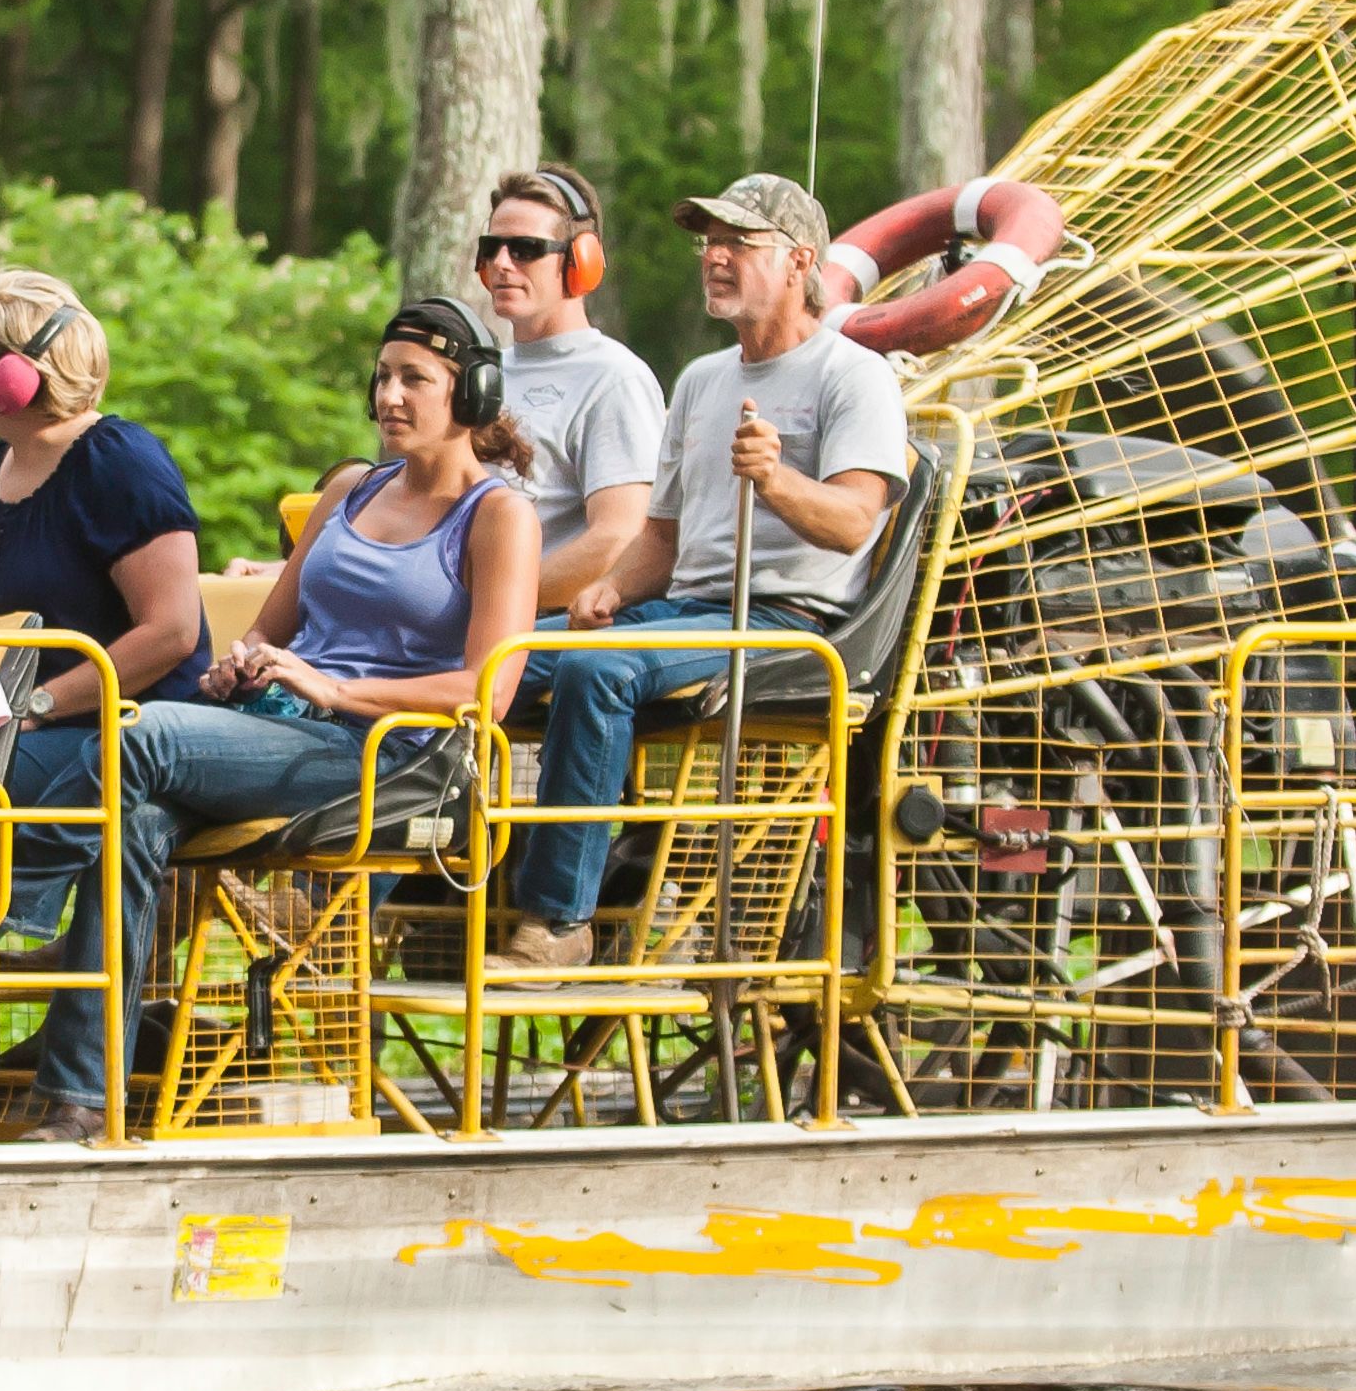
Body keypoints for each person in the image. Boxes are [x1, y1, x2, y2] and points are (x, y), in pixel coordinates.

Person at [494, 174, 909, 970]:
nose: (716, 258)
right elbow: (661, 537)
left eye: (738, 245)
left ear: (798, 261)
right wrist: (612, 587)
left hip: (786, 622)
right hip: (686, 608)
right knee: (493, 660)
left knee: (600, 671)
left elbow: (856, 522)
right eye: (708, 243)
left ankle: (559, 920)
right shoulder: (701, 380)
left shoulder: (852, 375)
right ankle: (416, 889)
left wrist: (778, 479)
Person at [104, 303, 543, 1014]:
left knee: (141, 733)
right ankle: (88, 1081)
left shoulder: (498, 516)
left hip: (384, 756)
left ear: (470, 396)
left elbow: (485, 692)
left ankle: (23, 909)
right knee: (144, 824)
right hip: (283, 724)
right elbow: (269, 626)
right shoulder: (350, 489)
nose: (388, 397)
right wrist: (239, 664)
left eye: (414, 380)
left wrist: (335, 689)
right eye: (381, 378)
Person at [0, 266, 210, 1144]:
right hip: (17, 731)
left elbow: (170, 631)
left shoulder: (118, 461)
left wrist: (39, 705)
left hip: (130, 732)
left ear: (20, 373)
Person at [472, 164, 665, 619]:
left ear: (581, 263)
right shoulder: (478, 369)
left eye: (525, 250)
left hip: (528, 625)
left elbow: (619, 537)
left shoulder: (614, 379)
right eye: (491, 248)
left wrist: (484, 604)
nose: (501, 263)